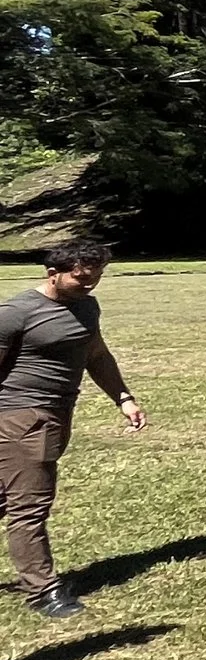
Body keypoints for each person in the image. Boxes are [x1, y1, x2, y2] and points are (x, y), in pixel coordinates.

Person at [0, 240, 147, 619]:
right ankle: (42, 590)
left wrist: (123, 398)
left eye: (96, 278)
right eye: (81, 279)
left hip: (58, 411)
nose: (90, 285)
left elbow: (96, 355)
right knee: (29, 504)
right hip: (22, 416)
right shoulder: (16, 313)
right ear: (53, 274)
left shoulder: (85, 306)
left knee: (5, 497)